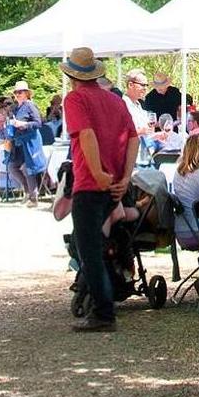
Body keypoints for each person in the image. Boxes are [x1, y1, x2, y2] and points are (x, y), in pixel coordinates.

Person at [59, 48, 136, 332]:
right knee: (99, 245)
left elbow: (86, 135)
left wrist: (98, 173)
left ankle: (104, 312)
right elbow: (133, 138)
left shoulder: (75, 99)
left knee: (88, 249)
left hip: (91, 184)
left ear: (71, 75)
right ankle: (104, 301)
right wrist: (125, 177)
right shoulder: (115, 101)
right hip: (115, 183)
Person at [3, 80, 48, 202]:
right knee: (13, 167)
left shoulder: (30, 105)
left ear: (27, 93)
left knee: (29, 168)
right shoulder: (16, 108)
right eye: (16, 92)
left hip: (30, 140)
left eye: (21, 92)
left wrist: (24, 124)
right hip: (19, 141)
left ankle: (33, 196)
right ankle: (28, 191)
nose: (18, 94)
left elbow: (38, 123)